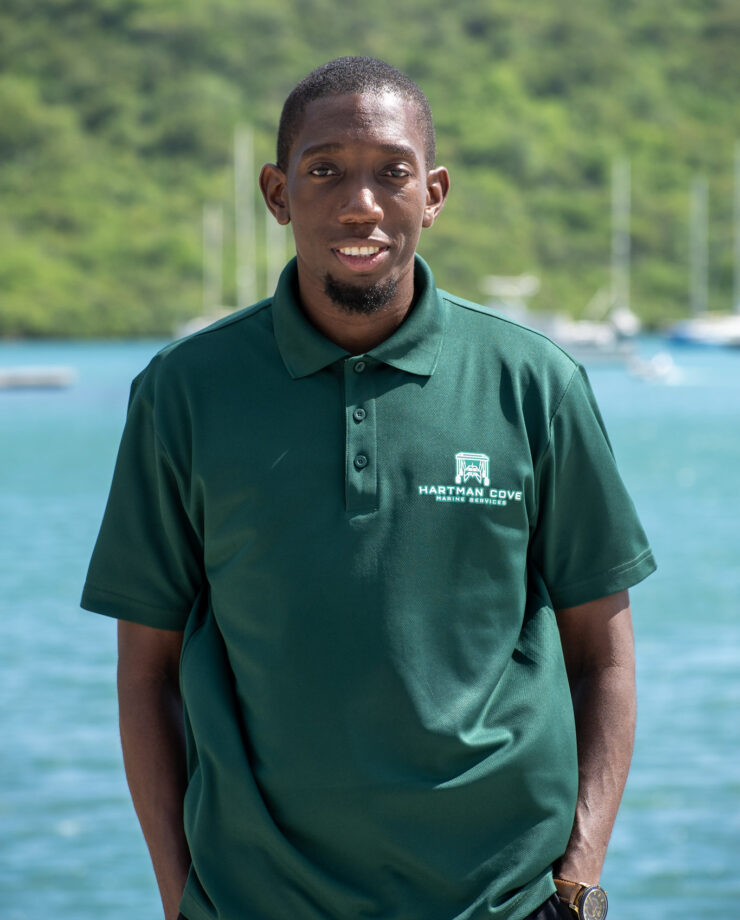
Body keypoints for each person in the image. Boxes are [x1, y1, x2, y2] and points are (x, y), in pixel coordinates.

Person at [81, 57, 656, 920]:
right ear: (277, 193)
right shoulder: (184, 393)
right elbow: (145, 673)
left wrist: (576, 885)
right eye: (325, 171)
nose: (361, 204)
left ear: (433, 194)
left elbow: (604, 657)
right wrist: (180, 898)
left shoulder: (535, 385)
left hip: (501, 903)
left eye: (392, 172)